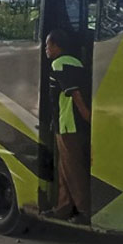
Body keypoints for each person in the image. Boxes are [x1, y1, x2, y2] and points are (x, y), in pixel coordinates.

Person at [43, 29, 91, 223]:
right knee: (64, 168)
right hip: (72, 124)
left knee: (72, 168)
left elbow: (74, 93)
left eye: (48, 45)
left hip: (68, 124)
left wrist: (86, 114)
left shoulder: (59, 64)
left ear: (56, 45)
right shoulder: (76, 62)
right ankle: (62, 208)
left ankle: (84, 210)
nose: (46, 49)